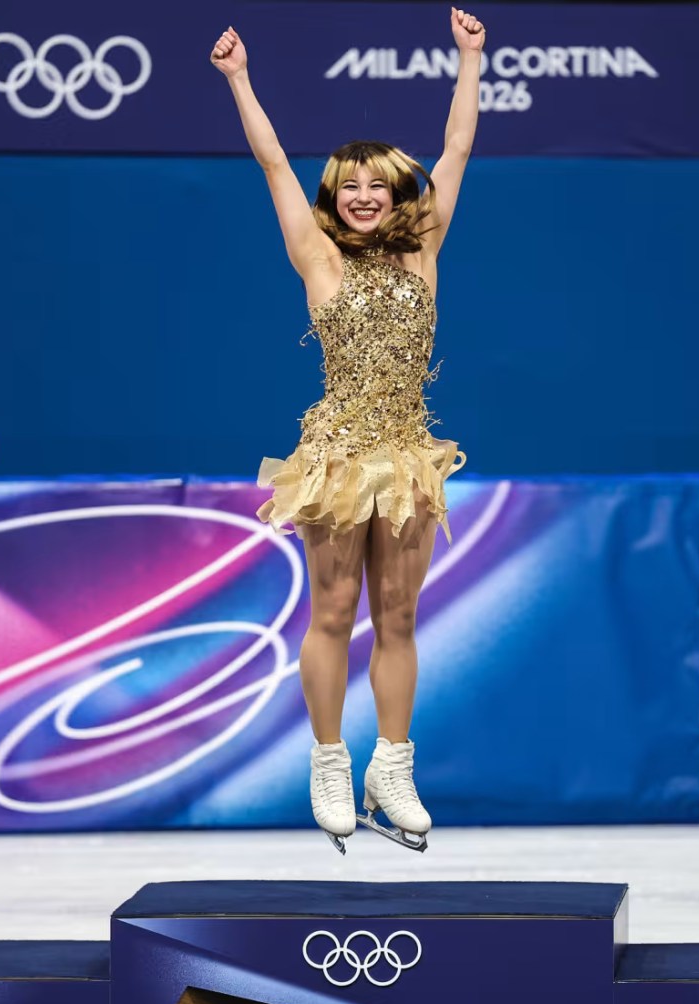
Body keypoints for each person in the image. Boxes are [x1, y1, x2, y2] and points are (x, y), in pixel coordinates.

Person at [209, 8, 485, 852]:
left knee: (397, 617)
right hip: (337, 455)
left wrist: (471, 61)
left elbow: (459, 150)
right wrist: (239, 80)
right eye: (348, 186)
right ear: (334, 196)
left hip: (406, 455)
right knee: (333, 612)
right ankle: (330, 758)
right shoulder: (317, 258)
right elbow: (269, 161)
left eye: (378, 185)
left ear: (399, 195)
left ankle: (391, 764)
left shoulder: (423, 251)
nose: (364, 197)